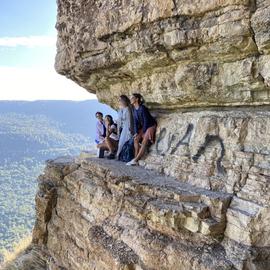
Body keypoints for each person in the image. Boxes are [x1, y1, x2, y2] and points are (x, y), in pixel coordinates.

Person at [126, 93, 157, 166]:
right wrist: (136, 132)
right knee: (136, 139)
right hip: (144, 127)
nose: (130, 99)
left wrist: (143, 132)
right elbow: (136, 122)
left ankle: (136, 159)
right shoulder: (134, 109)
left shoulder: (142, 108)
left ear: (137, 99)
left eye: (132, 98)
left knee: (144, 142)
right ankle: (135, 159)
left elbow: (146, 121)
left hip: (150, 125)